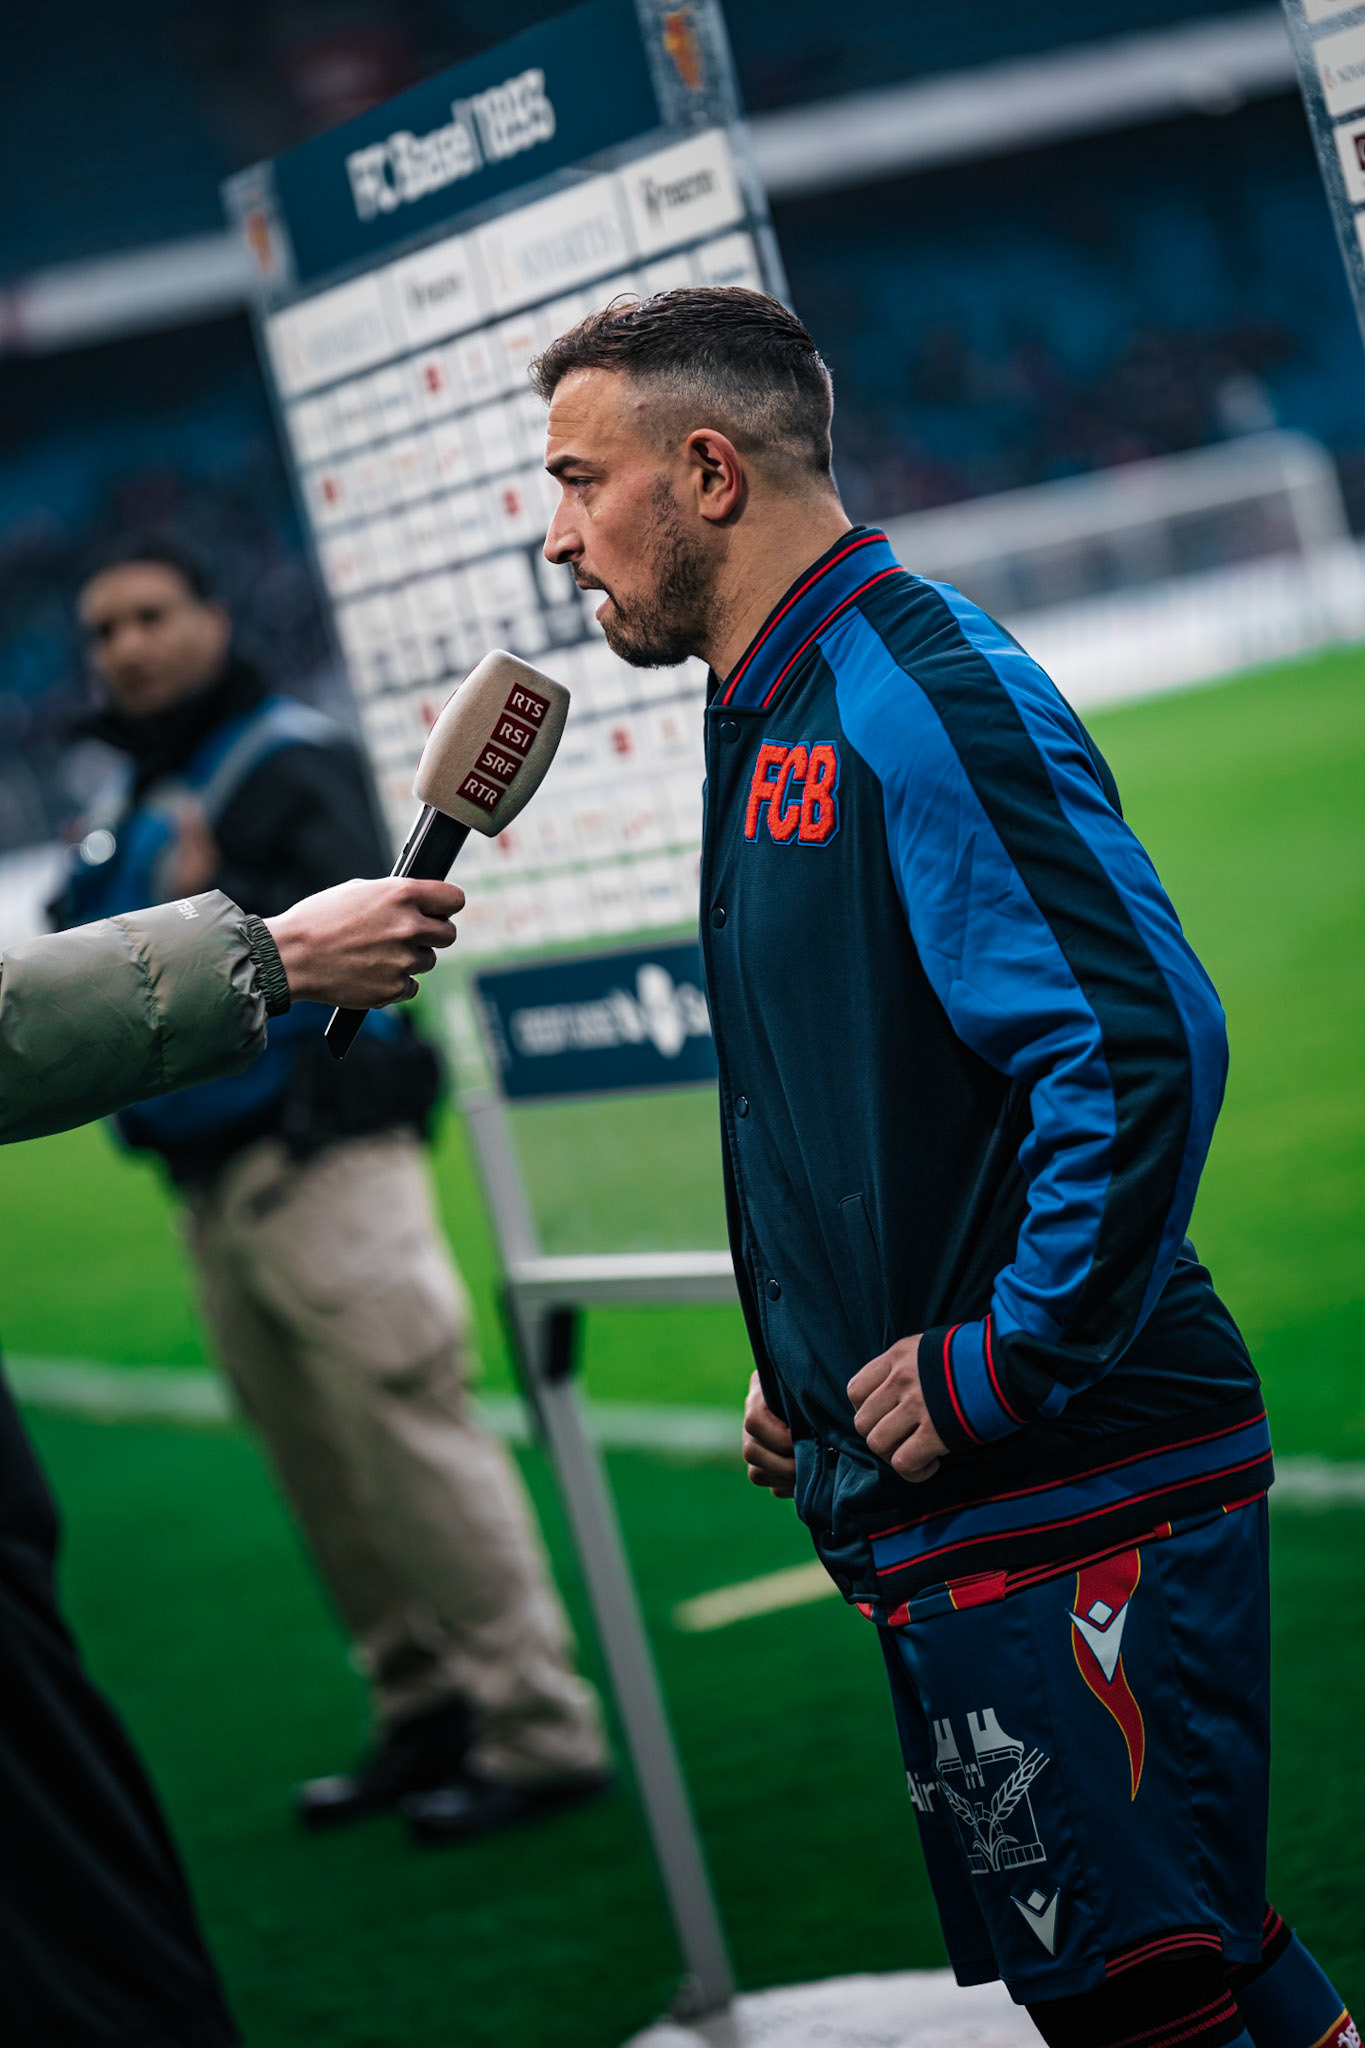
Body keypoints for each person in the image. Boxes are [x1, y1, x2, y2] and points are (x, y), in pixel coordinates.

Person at [533, 287, 1358, 2048]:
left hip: (1078, 1461)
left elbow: (1139, 1045)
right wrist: (815, 1359)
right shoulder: (771, 700)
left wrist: (1000, 1355)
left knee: (1143, 1990)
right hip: (979, 1479)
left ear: (706, 470)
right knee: (1170, 1960)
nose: (557, 534)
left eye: (578, 480)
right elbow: (877, 1096)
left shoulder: (911, 688)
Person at [52, 540, 608, 1843]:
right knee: (320, 1474)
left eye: (149, 612)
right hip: (210, 1192)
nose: (125, 646)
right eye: (103, 629)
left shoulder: (287, 755)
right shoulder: (134, 782)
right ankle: (420, 1712)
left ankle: (535, 1733)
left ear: (210, 613)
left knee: (412, 1448)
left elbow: (386, 943)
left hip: (324, 1165)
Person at [0, 873, 459, 2047]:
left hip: (312, 1151)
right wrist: (271, 950)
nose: (110, 668)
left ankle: (518, 1723)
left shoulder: (263, 757)